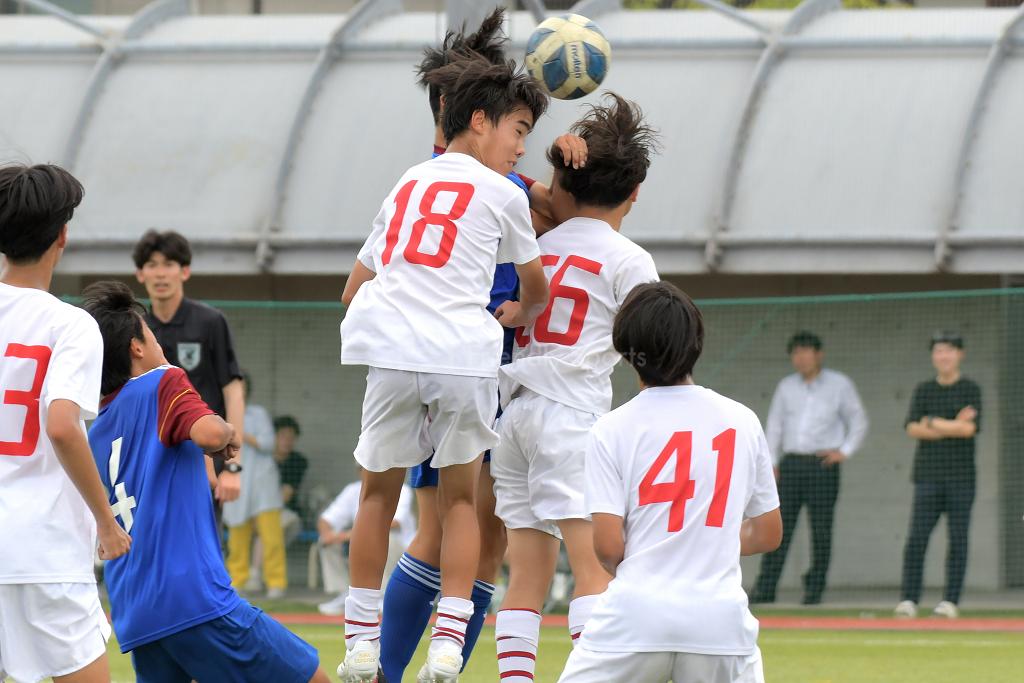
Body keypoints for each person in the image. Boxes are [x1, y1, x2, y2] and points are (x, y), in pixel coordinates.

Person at [380, 10, 587, 681]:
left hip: (455, 360)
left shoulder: (451, 178)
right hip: (467, 360)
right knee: (452, 528)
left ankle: (409, 668)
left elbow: (558, 214)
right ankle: (385, 668)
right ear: (466, 112)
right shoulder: (479, 180)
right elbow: (564, 215)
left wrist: (559, 159)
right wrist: (561, 167)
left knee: (474, 532)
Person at [337, 53, 549, 682]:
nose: (520, 149)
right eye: (517, 131)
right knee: (461, 503)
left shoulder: (407, 181)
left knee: (376, 497)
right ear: (480, 120)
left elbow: (352, 289)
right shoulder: (505, 193)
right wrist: (520, 310)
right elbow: (535, 285)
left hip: (392, 354)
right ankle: (449, 645)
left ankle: (360, 644)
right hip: (463, 356)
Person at [489, 93, 661, 680]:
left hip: (513, 417)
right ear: (634, 193)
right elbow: (649, 346)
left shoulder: (534, 246)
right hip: (572, 416)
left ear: (562, 183)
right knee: (594, 570)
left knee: (525, 577)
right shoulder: (630, 260)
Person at [81, 280, 332, 683]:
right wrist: (227, 433)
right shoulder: (163, 381)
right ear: (136, 347)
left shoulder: (98, 429)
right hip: (192, 599)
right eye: (149, 332)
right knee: (311, 678)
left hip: (134, 609)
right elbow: (211, 433)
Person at [558, 281, 783, 683]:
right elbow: (767, 533)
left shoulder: (611, 428)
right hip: (720, 625)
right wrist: (703, 542)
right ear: (696, 343)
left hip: (634, 619)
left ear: (626, 350)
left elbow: (608, 547)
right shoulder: (742, 420)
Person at [0, 163, 131, 683]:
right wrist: (106, 521)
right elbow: (60, 426)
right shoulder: (70, 324)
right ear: (62, 236)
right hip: (43, 548)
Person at [749, 331, 868, 605]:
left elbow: (858, 420)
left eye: (806, 352)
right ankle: (766, 587)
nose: (801, 358)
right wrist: (771, 462)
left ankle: (814, 589)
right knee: (778, 527)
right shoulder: (786, 387)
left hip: (822, 464)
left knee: (821, 530)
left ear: (819, 354)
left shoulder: (839, 385)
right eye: (796, 353)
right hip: (790, 465)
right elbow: (774, 426)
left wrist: (845, 451)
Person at [133, 229, 244, 505]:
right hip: (151, 459)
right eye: (152, 265)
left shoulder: (210, 322)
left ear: (184, 271)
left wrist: (233, 466)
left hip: (205, 456)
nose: (160, 274)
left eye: (169, 264)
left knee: (203, 532)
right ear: (140, 274)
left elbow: (233, 392)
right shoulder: (135, 329)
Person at [895, 331, 981, 620]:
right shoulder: (924, 390)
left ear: (960, 354)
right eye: (939, 351)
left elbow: (968, 430)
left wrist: (931, 421)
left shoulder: (970, 389)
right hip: (927, 477)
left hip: (961, 478)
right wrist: (951, 424)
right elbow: (912, 427)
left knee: (958, 539)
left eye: (949, 350)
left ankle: (950, 601)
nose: (943, 356)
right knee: (916, 539)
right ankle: (909, 599)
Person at [223, 372, 288, 598]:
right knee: (237, 536)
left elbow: (268, 444)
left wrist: (239, 432)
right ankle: (237, 581)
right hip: (235, 481)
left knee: (271, 536)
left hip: (262, 483)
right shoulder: (219, 415)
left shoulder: (258, 414)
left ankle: (276, 583)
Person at [317, 474, 416, 616]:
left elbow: (394, 523)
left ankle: (381, 596)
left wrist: (347, 535)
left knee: (384, 536)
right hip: (361, 540)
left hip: (402, 548)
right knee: (326, 542)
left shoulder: (403, 489)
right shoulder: (352, 490)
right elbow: (326, 520)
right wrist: (328, 535)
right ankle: (346, 594)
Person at [274, 414, 309, 543]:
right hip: (255, 512)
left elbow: (286, 494)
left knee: (276, 526)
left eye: (292, 438)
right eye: (283, 436)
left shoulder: (298, 461)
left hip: (285, 512)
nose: (287, 441)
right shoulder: (263, 460)